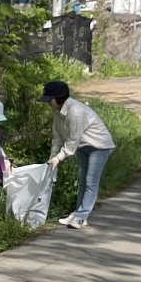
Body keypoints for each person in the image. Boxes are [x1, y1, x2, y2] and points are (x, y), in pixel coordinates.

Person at [43, 80, 116, 228]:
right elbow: (57, 137)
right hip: (83, 147)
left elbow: (73, 140)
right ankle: (79, 214)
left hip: (99, 146)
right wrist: (53, 158)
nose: (48, 102)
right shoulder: (57, 112)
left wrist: (59, 157)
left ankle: (81, 217)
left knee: (91, 181)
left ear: (59, 97)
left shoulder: (75, 111)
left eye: (49, 98)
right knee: (82, 180)